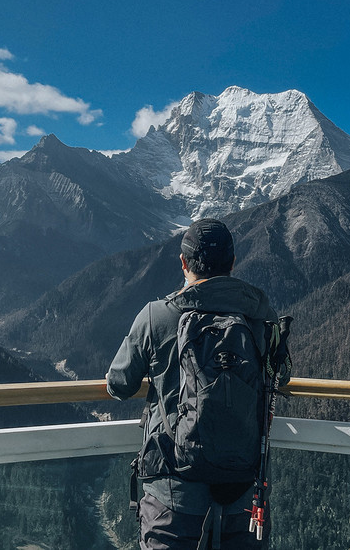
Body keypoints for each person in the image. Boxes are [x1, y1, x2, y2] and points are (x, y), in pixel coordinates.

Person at [107, 218, 285, 550]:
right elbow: (281, 376)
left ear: (183, 263)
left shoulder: (155, 317)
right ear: (232, 263)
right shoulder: (262, 318)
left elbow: (119, 384)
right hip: (245, 496)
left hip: (173, 499)